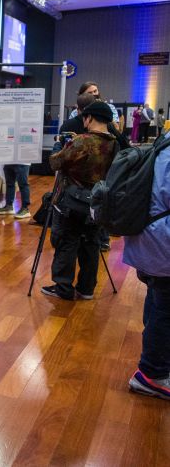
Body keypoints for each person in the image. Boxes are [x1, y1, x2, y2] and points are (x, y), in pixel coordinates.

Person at [41, 102, 118, 300]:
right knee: (91, 244)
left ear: (89, 118)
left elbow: (55, 162)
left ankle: (63, 288)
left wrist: (59, 144)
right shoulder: (114, 143)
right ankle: (86, 289)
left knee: (67, 241)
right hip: (97, 203)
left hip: (72, 203)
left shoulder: (83, 141)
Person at [124, 130, 170, 400]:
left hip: (152, 236)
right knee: (165, 306)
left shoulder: (164, 141)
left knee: (158, 298)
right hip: (161, 239)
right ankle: (152, 372)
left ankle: (155, 359)